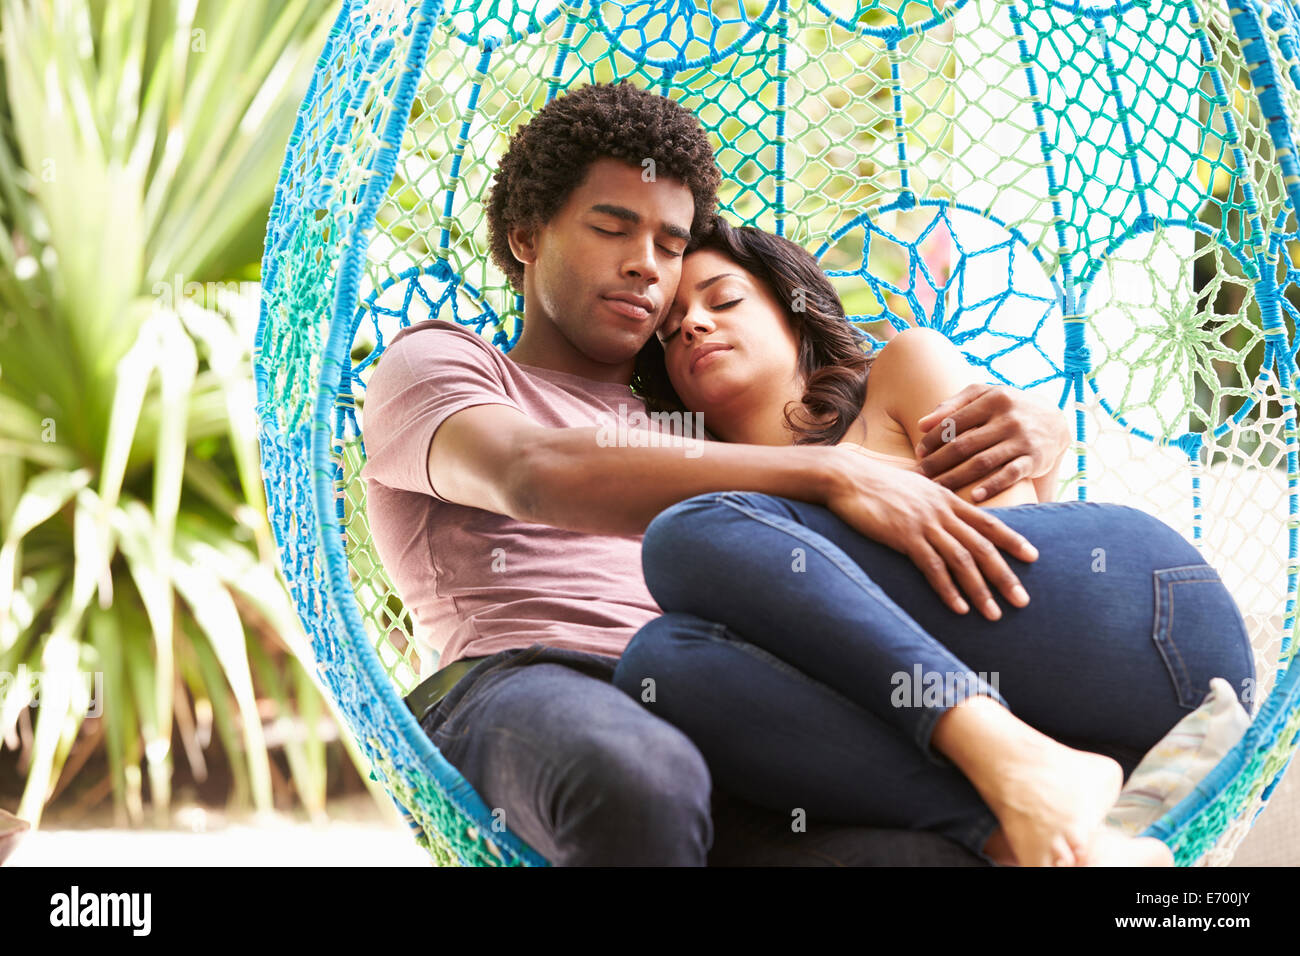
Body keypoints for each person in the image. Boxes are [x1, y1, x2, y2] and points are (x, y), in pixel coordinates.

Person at [360, 80, 1076, 865]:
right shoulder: (441, 363)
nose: (647, 268)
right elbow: (529, 470)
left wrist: (1047, 434)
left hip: (720, 703)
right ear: (527, 237)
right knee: (641, 779)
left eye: (670, 246)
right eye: (613, 228)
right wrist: (832, 476)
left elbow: (854, 451)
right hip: (523, 688)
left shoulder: (697, 429)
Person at [609, 215, 1257, 866]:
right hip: (1086, 731)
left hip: (1141, 619)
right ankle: (1044, 831)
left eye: (724, 299)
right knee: (662, 664)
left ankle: (1020, 764)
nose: (693, 323)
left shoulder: (897, 375)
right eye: (670, 330)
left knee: (685, 533)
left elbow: (1005, 548)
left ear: (793, 309)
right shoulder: (727, 529)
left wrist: (1041, 442)